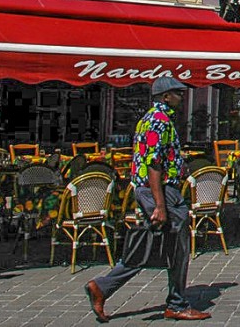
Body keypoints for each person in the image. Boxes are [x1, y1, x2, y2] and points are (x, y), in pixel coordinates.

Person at [85, 76, 211, 322]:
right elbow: (154, 163)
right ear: (165, 97)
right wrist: (161, 205)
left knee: (155, 243)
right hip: (162, 191)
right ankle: (176, 303)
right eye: (177, 93)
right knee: (176, 246)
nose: (181, 97)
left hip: (155, 190)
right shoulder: (159, 122)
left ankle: (103, 287)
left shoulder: (150, 120)